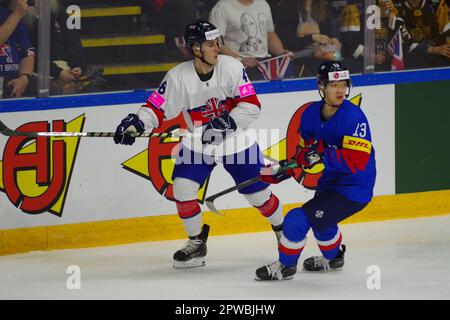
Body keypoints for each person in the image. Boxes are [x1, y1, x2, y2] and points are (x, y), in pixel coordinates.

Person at [113, 21, 285, 269]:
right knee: (182, 189)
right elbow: (155, 108)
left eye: (218, 43)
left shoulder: (232, 68)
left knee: (258, 194)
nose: (217, 49)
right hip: (197, 144)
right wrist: (136, 124)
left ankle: (283, 232)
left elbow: (251, 105)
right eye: (210, 44)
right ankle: (196, 243)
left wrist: (225, 123)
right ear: (195, 48)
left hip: (236, 142)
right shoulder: (177, 77)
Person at [255, 61, 376, 280]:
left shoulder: (354, 118)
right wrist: (289, 168)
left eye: (343, 84)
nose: (340, 90)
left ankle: (286, 267)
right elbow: (306, 151)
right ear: (321, 86)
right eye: (333, 85)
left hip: (354, 188)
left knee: (296, 219)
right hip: (330, 182)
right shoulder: (310, 113)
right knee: (321, 221)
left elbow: (357, 161)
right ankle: (334, 258)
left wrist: (321, 156)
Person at [209, 0, 294, 79]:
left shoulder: (263, 3)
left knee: (272, 93)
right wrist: (240, 60)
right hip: (237, 69)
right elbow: (214, 42)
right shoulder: (221, 7)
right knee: (246, 95)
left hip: (264, 65)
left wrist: (282, 53)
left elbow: (270, 35)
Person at [0, 0, 35, 98]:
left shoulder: (11, 12)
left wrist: (24, 77)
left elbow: (27, 51)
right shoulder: (15, 14)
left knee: (44, 88)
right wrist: (16, 15)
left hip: (14, 78)